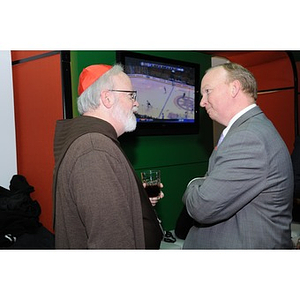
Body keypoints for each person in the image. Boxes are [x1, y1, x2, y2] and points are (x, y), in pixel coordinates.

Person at [182, 62, 293, 249]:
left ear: (234, 88)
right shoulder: (251, 130)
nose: (202, 102)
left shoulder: (248, 137)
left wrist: (193, 183)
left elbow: (202, 206)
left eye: (207, 91)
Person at [53, 64, 163, 249]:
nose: (136, 103)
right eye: (131, 95)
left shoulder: (93, 144)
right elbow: (111, 241)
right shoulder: (94, 150)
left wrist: (135, 200)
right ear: (107, 98)